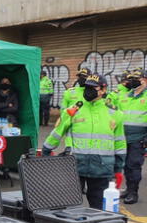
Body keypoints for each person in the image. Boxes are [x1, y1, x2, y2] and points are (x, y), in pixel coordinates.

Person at [42, 74, 126, 209]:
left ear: (104, 90)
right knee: (69, 205)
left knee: (98, 207)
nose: (88, 90)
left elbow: (120, 143)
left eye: (93, 88)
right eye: (87, 87)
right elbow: (58, 131)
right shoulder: (74, 110)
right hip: (76, 165)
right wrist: (47, 148)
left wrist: (118, 168)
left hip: (102, 168)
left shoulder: (115, 113)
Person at [117, 69, 147, 204]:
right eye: (132, 78)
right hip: (123, 138)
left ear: (145, 80)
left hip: (138, 139)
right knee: (126, 166)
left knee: (133, 165)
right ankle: (128, 190)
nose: (133, 81)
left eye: (137, 78)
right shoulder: (126, 96)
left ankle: (133, 193)